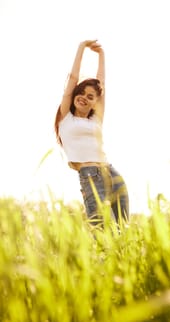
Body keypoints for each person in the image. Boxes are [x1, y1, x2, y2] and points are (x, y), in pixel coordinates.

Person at [54, 40, 129, 225]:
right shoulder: (66, 118)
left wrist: (101, 54)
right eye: (81, 93)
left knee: (123, 232)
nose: (84, 98)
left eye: (90, 97)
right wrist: (81, 47)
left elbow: (102, 83)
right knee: (106, 233)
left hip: (111, 173)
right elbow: (72, 78)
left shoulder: (97, 120)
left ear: (95, 102)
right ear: (74, 95)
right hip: (90, 176)